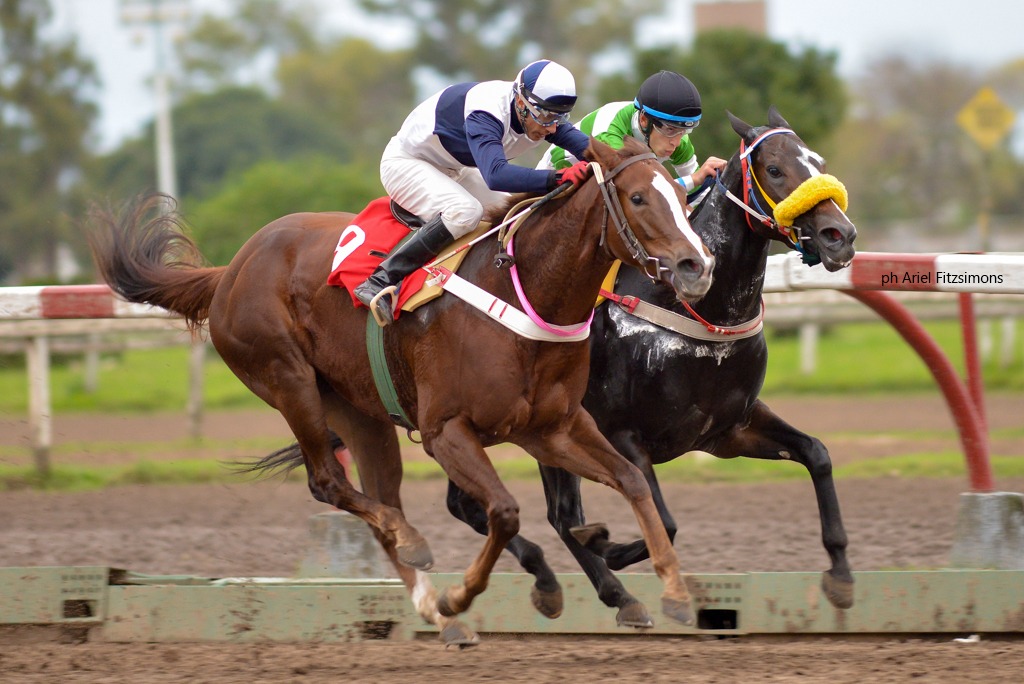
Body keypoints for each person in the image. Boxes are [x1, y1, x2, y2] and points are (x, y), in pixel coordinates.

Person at [354, 59, 593, 325]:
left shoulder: (538, 112)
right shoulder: (487, 112)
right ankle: (381, 280)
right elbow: (496, 175)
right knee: (465, 212)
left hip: (456, 167)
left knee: (516, 213)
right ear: (521, 102)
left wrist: (624, 163)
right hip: (406, 163)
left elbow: (592, 150)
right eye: (547, 117)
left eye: (560, 118)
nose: (552, 127)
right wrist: (558, 177)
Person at [540, 70, 726, 203]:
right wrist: (694, 179)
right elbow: (642, 190)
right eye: (670, 130)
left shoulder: (677, 138)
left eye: (684, 131)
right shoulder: (610, 132)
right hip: (561, 177)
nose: (677, 142)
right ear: (644, 120)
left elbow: (699, 197)